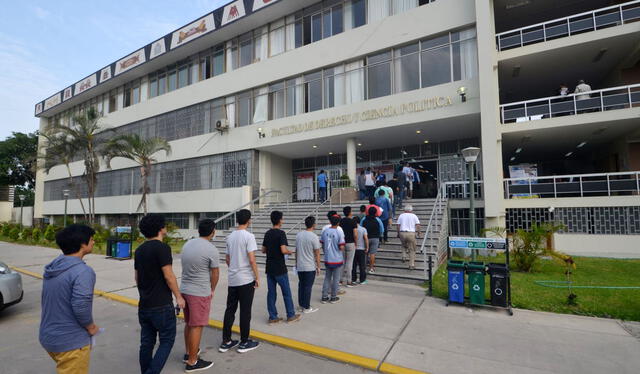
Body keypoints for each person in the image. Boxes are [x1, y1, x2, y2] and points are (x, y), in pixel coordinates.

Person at [40, 224, 99, 374]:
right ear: (82, 244)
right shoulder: (83, 271)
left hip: (49, 337)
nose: (94, 242)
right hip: (71, 343)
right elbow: (80, 305)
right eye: (91, 239)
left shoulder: (55, 267)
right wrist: (91, 327)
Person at [135, 214, 185, 374]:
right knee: (167, 340)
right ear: (161, 229)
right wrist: (178, 296)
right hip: (161, 305)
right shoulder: (162, 248)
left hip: (144, 304)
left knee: (147, 342)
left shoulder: (140, 249)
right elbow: (168, 276)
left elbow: (137, 277)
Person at [180, 219, 220, 372]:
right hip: (199, 292)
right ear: (213, 232)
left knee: (189, 323)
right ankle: (192, 362)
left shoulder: (188, 244)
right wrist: (212, 289)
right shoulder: (211, 249)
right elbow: (215, 273)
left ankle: (188, 353)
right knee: (197, 325)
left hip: (185, 289)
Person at [220, 209, 260, 354]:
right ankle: (244, 341)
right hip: (245, 279)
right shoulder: (249, 236)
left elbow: (227, 259)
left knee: (230, 309)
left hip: (233, 279)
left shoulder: (230, 237)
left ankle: (226, 341)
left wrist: (235, 269)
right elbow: (251, 259)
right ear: (248, 220)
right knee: (245, 311)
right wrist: (257, 277)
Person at [262, 210, 300, 324]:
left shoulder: (267, 233)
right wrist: (289, 252)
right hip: (280, 268)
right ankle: (290, 315)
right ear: (279, 220)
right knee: (286, 292)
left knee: (271, 293)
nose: (283, 221)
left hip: (269, 268)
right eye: (282, 219)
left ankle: (272, 316)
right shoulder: (281, 233)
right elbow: (283, 250)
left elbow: (263, 250)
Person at [295, 216, 321, 313]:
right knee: (308, 287)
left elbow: (296, 251)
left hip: (300, 265)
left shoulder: (299, 235)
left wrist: (296, 263)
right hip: (309, 266)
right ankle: (306, 307)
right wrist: (318, 266)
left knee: (301, 285)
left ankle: (301, 304)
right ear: (313, 224)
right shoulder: (314, 237)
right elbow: (317, 253)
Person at [320, 215, 346, 303]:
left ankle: (324, 296)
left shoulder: (325, 231)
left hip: (328, 258)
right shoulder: (339, 232)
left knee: (327, 277)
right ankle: (333, 297)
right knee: (336, 278)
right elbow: (341, 247)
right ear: (338, 223)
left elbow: (322, 244)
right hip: (337, 258)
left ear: (330, 222)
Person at [396, 205, 421, 270]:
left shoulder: (401, 215)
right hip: (411, 233)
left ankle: (404, 257)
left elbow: (398, 225)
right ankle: (411, 265)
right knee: (412, 249)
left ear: (404, 210)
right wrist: (419, 232)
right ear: (411, 210)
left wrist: (398, 233)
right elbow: (418, 225)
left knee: (403, 245)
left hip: (402, 232)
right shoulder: (414, 216)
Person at [361, 207, 384, 274]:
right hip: (375, 238)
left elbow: (361, 227)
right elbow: (382, 229)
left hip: (366, 238)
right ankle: (371, 268)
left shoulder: (364, 219)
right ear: (375, 212)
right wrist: (380, 236)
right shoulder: (378, 220)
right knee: (372, 253)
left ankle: (363, 268)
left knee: (365, 253)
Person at [339, 206, 358, 288]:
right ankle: (349, 281)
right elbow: (355, 234)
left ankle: (340, 280)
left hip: (342, 243)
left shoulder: (341, 221)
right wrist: (356, 243)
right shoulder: (353, 222)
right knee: (349, 262)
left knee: (342, 261)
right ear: (350, 212)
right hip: (350, 243)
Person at [352, 218, 369, 285]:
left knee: (354, 265)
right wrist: (367, 247)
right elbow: (366, 239)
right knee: (362, 265)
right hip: (361, 249)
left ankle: (353, 279)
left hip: (353, 248)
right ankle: (362, 280)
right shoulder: (363, 229)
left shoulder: (352, 229)